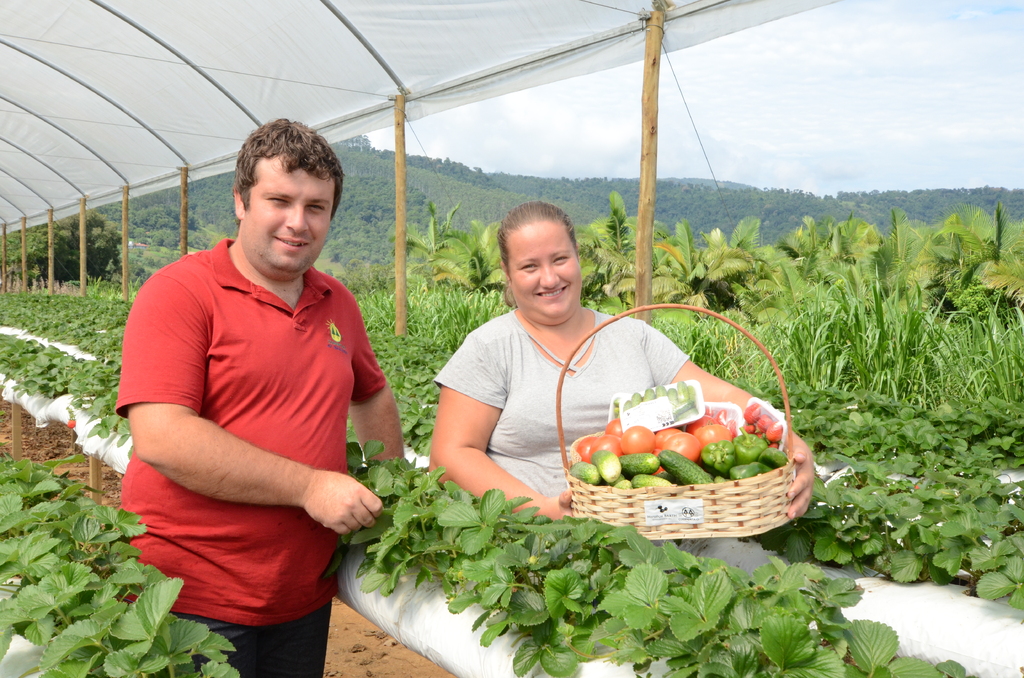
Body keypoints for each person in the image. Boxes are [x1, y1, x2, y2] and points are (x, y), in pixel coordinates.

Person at [116, 119, 404, 678]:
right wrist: (311, 486)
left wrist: (387, 488)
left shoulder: (336, 300)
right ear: (241, 201)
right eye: (280, 200)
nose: (298, 222)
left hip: (301, 592)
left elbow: (372, 394)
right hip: (190, 596)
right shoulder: (180, 292)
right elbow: (163, 436)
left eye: (316, 206)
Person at [430, 201, 814, 521]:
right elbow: (451, 457)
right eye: (529, 267)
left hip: (649, 527)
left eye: (560, 259)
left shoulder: (632, 335)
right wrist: (545, 510)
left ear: (578, 259)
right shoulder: (490, 347)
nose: (549, 278)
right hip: (530, 535)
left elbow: (723, 396)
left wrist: (789, 440)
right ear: (508, 276)